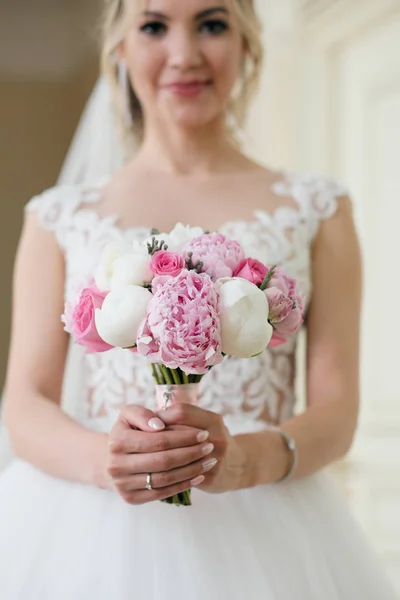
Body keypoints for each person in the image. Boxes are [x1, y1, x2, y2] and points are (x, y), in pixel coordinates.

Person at [0, 1, 397, 598]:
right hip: (89, 533)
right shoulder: (57, 217)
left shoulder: (318, 209)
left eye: (212, 24)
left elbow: (337, 410)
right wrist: (105, 459)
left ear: (247, 45)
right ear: (121, 49)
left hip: (273, 529)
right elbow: (24, 406)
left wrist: (248, 461)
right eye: (154, 26)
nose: (184, 55)